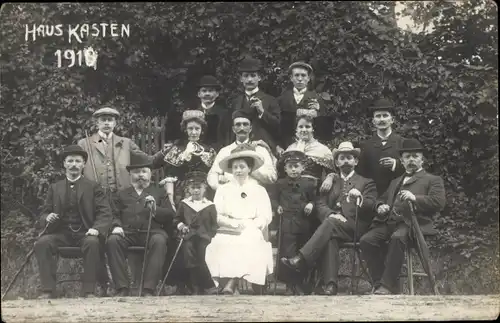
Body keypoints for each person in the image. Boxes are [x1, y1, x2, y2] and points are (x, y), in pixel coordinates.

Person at [281, 142, 377, 295]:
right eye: (342, 158)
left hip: (355, 226)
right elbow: (320, 203)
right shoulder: (331, 182)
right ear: (337, 162)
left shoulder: (366, 182)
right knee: (330, 236)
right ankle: (331, 285)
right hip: (332, 225)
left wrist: (359, 198)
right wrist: (330, 214)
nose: (346, 161)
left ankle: (301, 259)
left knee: (330, 225)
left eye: (349, 158)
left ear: (356, 161)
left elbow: (372, 205)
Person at [359, 138, 446, 295]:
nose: (411, 160)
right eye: (407, 157)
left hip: (414, 224)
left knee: (397, 238)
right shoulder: (395, 181)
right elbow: (381, 198)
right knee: (367, 240)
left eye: (415, 156)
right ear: (402, 160)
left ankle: (386, 285)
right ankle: (379, 282)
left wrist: (415, 198)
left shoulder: (432, 180)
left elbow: (438, 202)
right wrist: (380, 206)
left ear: (422, 159)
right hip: (389, 222)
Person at [34, 145, 112, 299]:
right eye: (70, 161)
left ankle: (89, 291)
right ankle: (48, 290)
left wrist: (97, 228)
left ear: (83, 164)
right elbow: (43, 213)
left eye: (78, 161)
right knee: (42, 243)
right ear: (64, 164)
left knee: (92, 242)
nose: (74, 164)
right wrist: (47, 217)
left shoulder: (93, 187)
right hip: (61, 234)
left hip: (85, 233)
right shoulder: (55, 188)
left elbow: (105, 212)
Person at [205, 144, 274, 295]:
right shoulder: (223, 189)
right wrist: (233, 224)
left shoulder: (258, 189)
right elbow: (217, 214)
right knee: (219, 243)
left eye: (242, 167)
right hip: (229, 226)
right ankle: (228, 282)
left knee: (248, 239)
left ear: (249, 168)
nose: (238, 170)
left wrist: (253, 225)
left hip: (251, 226)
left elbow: (265, 215)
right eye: (235, 167)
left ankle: (233, 282)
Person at [106, 152, 176, 297]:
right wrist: (116, 226)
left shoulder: (159, 192)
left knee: (160, 240)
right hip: (127, 233)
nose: (141, 175)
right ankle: (122, 287)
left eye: (144, 171)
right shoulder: (121, 194)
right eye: (136, 172)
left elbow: (170, 214)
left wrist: (155, 208)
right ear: (130, 174)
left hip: (152, 233)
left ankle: (148, 288)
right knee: (113, 240)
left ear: (150, 174)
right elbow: (113, 214)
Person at [321, 98, 406, 196]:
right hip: (371, 196)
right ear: (373, 121)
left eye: (385, 116)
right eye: (378, 116)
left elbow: (417, 168)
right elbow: (358, 174)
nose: (382, 119)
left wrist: (396, 164)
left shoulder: (403, 143)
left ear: (392, 120)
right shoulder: (365, 145)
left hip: (397, 194)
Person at [269, 150, 317, 295]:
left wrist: (311, 205)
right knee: (287, 254)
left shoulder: (308, 184)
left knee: (301, 252)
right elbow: (273, 199)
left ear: (302, 168)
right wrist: (277, 206)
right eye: (290, 166)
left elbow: (315, 199)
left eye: (296, 166)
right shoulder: (280, 184)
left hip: (303, 223)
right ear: (285, 169)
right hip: (287, 223)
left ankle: (302, 283)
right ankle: (289, 284)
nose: (294, 169)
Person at [77, 107, 153, 197]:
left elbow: (147, 160)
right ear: (97, 123)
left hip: (122, 197)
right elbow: (76, 171)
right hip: (95, 196)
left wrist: (165, 153)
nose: (106, 123)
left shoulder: (126, 143)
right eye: (103, 120)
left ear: (115, 123)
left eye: (110, 120)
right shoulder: (84, 144)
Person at [153, 110, 217, 205]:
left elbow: (214, 172)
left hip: (204, 191)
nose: (194, 132)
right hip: (181, 191)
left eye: (197, 129)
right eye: (190, 129)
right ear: (185, 129)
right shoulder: (177, 147)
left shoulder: (208, 149)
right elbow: (169, 171)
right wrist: (184, 155)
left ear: (202, 130)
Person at [207, 110, 277, 192]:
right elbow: (212, 175)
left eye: (245, 124)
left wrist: (252, 168)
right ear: (233, 129)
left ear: (250, 128)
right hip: (231, 194)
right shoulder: (225, 151)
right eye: (238, 125)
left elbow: (272, 177)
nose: (242, 128)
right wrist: (221, 188)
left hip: (254, 193)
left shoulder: (260, 150)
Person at [173, 171, 219, 295]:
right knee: (188, 253)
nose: (196, 191)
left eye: (199, 188)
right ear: (188, 189)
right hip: (188, 236)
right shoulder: (184, 204)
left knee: (203, 255)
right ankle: (194, 286)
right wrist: (182, 226)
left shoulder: (210, 206)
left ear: (204, 189)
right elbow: (176, 219)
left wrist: (211, 235)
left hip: (204, 237)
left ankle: (207, 285)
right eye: (193, 188)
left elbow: (214, 225)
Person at [165, 75, 232, 151]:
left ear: (217, 94)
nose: (207, 94)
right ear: (199, 94)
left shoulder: (224, 114)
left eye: (210, 91)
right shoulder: (190, 113)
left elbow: (226, 138)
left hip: (217, 151)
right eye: (204, 91)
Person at [277, 61, 330, 154]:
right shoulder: (282, 99)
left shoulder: (317, 99)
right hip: (287, 144)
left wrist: (318, 113)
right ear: (291, 78)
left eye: (303, 75)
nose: (300, 79)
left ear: (308, 78)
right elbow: (277, 125)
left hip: (310, 146)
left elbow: (325, 129)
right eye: (296, 75)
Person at [231, 57, 281, 154]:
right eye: (246, 76)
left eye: (253, 76)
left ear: (259, 77)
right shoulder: (235, 101)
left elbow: (278, 127)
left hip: (263, 147)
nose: (249, 79)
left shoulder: (270, 100)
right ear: (241, 79)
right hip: (239, 147)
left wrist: (263, 112)